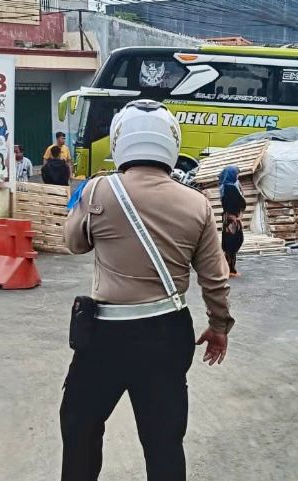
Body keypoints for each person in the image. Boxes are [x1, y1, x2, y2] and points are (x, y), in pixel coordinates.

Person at [61, 99, 233, 481]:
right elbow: (214, 277)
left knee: (80, 428)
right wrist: (219, 326)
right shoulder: (198, 203)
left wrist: (82, 204)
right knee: (164, 441)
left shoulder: (97, 191)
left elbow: (74, 244)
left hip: (104, 335)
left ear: (121, 141)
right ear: (171, 143)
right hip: (167, 333)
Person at [219, 165, 246, 278]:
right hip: (232, 220)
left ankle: (227, 269)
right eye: (236, 174)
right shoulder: (231, 188)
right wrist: (241, 192)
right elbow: (242, 204)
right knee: (233, 244)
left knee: (229, 244)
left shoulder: (223, 187)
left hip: (228, 219)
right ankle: (230, 270)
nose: (237, 176)